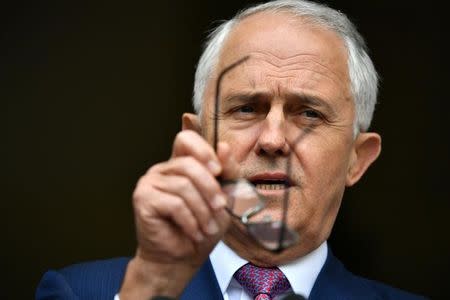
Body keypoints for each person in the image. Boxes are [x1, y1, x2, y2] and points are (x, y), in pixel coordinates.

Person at [36, 0, 428, 299]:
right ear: (198, 140)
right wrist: (151, 285)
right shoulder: (81, 291)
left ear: (357, 159)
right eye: (246, 108)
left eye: (308, 113)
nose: (273, 140)